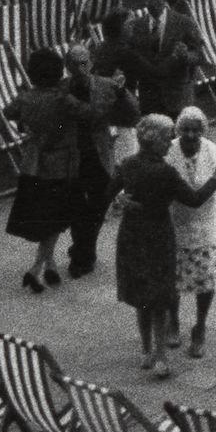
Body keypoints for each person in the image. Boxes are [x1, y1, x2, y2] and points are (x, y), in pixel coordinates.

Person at [112, 114, 199, 374]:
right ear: (155, 141)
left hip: (131, 234)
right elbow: (193, 199)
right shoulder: (166, 172)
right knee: (159, 297)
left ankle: (146, 350)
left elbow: (108, 193)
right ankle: (160, 355)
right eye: (167, 138)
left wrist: (121, 201)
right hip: (158, 235)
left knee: (141, 297)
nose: (170, 143)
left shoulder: (126, 164)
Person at [3, 45, 85, 293]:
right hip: (61, 166)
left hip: (33, 165)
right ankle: (36, 268)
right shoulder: (63, 99)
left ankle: (50, 265)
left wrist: (24, 125)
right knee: (56, 218)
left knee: (47, 218)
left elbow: (8, 112)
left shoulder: (26, 97)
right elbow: (88, 113)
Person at [62, 35, 138, 279]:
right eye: (74, 64)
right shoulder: (61, 90)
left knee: (98, 205)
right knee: (77, 209)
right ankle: (84, 255)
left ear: (91, 62)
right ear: (68, 67)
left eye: (84, 63)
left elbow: (132, 114)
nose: (80, 69)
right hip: (72, 158)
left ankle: (82, 250)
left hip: (99, 154)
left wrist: (123, 92)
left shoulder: (106, 85)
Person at [170, 105, 216, 355]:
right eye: (185, 129)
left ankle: (200, 326)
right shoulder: (170, 150)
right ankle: (173, 322)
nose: (189, 135)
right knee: (172, 280)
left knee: (205, 279)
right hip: (176, 224)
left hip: (207, 225)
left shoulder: (211, 149)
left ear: (203, 131)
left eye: (195, 130)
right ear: (178, 130)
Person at [127, 0, 205, 115]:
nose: (150, 2)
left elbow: (199, 55)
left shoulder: (183, 23)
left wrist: (185, 56)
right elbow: (133, 62)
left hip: (178, 94)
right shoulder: (137, 26)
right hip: (150, 98)